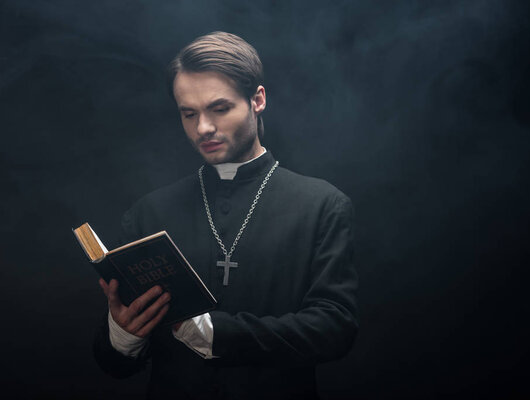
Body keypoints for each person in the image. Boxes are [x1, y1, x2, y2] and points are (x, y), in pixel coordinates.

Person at [93, 31, 358, 399]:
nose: (203, 128)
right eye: (189, 113)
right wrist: (124, 334)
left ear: (257, 100)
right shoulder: (149, 212)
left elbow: (335, 329)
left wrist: (220, 334)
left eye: (219, 108)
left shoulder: (323, 204)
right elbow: (113, 367)